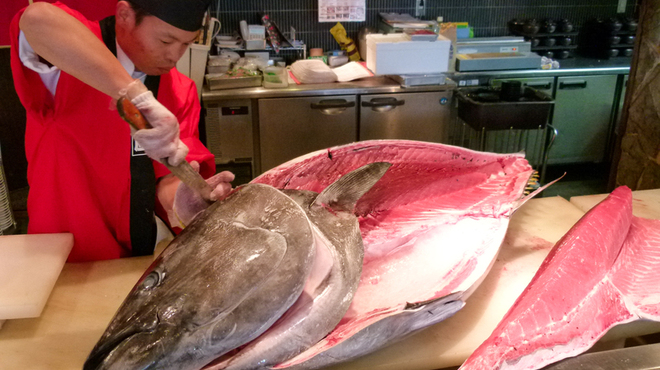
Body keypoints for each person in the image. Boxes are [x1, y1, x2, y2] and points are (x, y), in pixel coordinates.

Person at [10, 0, 234, 262]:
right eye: (165, 41)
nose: (174, 56)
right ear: (125, 15)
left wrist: (182, 201)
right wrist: (135, 94)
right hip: (66, 253)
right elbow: (36, 18)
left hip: (141, 253)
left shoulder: (180, 90)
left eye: (186, 44)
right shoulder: (68, 58)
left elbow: (168, 172)